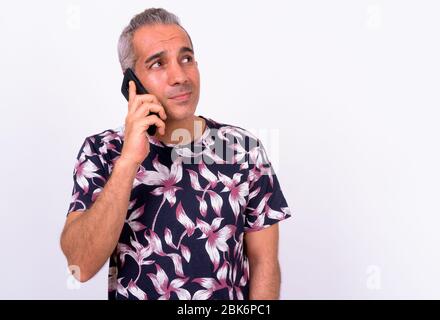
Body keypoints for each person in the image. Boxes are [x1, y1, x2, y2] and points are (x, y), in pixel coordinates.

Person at [60, 7, 291, 300]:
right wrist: (129, 159)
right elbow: (80, 264)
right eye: (158, 64)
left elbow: (264, 263)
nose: (179, 76)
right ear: (131, 81)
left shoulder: (242, 149)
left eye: (186, 58)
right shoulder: (103, 151)